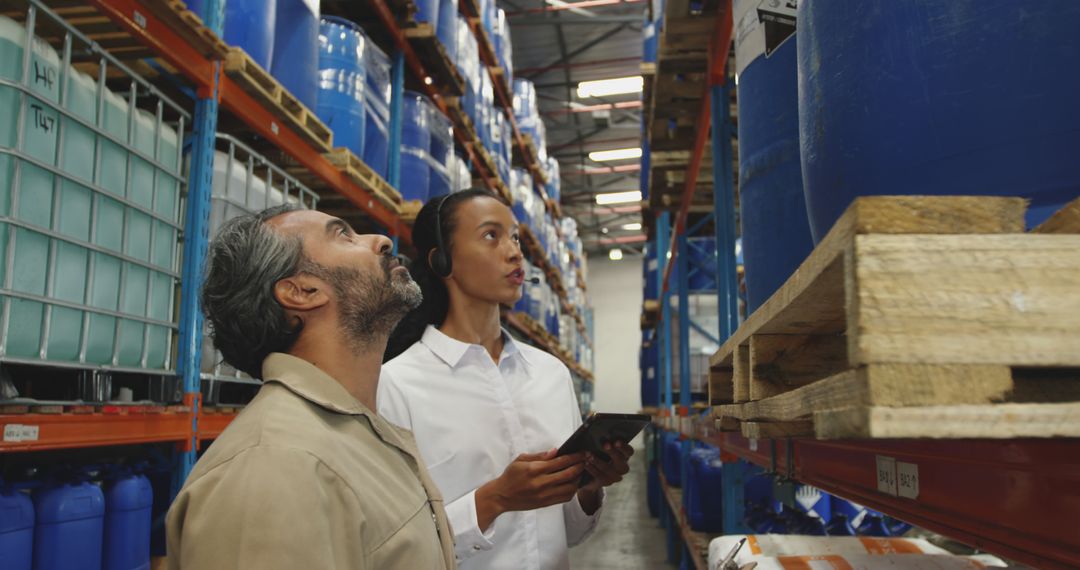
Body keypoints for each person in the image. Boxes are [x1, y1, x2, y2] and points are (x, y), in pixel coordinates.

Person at [166, 205, 455, 569]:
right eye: (342, 235)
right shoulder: (272, 468)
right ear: (301, 291)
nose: (382, 241)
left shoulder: (355, 434)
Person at [379, 190, 634, 569]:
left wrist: (590, 486)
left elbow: (568, 532)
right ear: (442, 260)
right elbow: (393, 545)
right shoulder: (396, 385)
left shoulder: (550, 374)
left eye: (514, 237)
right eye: (490, 236)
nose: (515, 251)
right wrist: (495, 499)